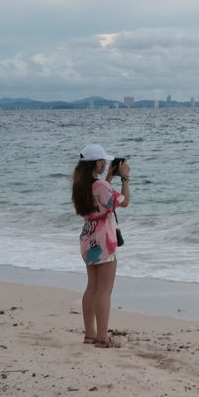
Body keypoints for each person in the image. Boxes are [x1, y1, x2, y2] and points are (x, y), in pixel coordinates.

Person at [71, 143, 130, 348]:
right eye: (103, 161)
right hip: (105, 240)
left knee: (92, 287)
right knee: (105, 290)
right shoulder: (101, 187)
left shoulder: (81, 186)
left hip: (88, 239)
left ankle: (90, 334)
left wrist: (110, 179)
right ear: (97, 164)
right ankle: (102, 337)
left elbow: (100, 198)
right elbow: (123, 201)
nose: (105, 163)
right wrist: (125, 178)